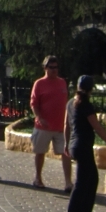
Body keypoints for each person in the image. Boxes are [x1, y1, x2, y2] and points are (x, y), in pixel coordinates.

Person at [66, 75, 106, 212]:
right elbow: (97, 128)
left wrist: (66, 144)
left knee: (92, 180)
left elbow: (66, 125)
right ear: (91, 89)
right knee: (82, 183)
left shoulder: (70, 103)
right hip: (83, 146)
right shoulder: (85, 105)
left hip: (75, 145)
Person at [30, 56, 72, 192]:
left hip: (61, 126)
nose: (54, 70)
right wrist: (39, 117)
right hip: (44, 126)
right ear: (45, 68)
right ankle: (38, 178)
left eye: (56, 67)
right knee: (40, 152)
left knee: (66, 153)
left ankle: (68, 182)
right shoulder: (39, 84)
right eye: (51, 67)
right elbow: (34, 104)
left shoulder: (62, 82)